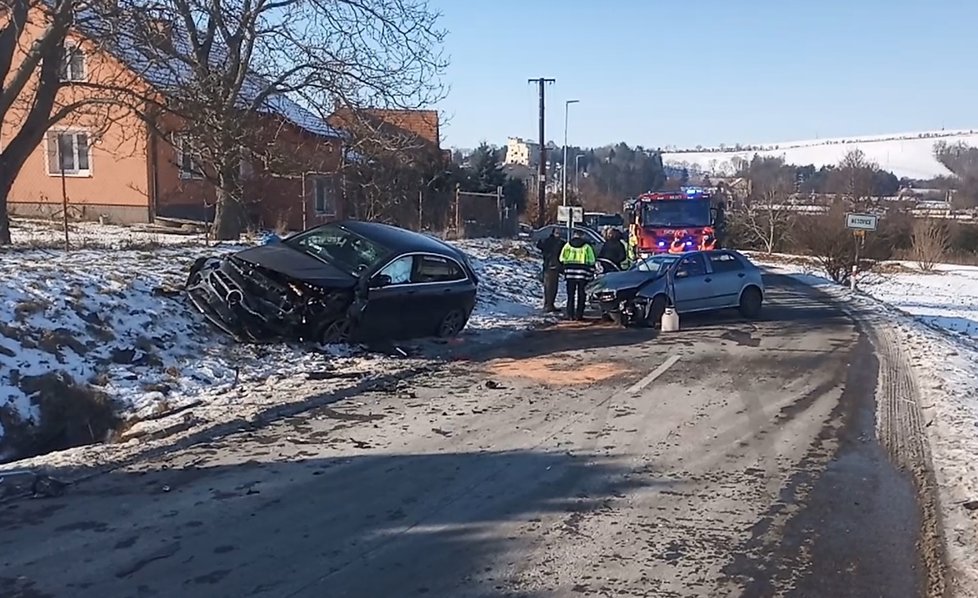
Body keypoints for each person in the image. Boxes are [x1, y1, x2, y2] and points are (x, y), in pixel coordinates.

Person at [559, 229, 596, 321]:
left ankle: (570, 314)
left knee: (570, 295)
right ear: (582, 236)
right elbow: (592, 260)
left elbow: (561, 258)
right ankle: (579, 314)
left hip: (570, 273)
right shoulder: (587, 246)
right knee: (581, 294)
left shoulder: (567, 245)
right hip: (582, 274)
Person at [536, 228, 563, 312]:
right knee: (549, 287)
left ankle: (550, 304)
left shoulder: (559, 242)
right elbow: (540, 245)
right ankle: (548, 305)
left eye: (559, 233)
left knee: (552, 287)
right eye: (557, 232)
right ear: (553, 233)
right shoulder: (551, 242)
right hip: (550, 266)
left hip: (553, 266)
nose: (558, 234)